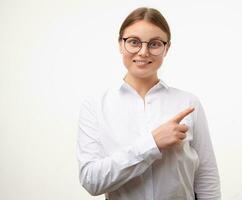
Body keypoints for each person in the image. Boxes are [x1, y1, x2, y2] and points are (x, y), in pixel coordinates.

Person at [76, 7, 221, 200]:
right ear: (120, 44)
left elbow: (206, 177)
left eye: (154, 44)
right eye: (134, 42)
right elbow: (91, 181)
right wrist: (152, 143)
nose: (143, 52)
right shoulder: (95, 106)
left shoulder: (188, 103)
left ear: (166, 48)